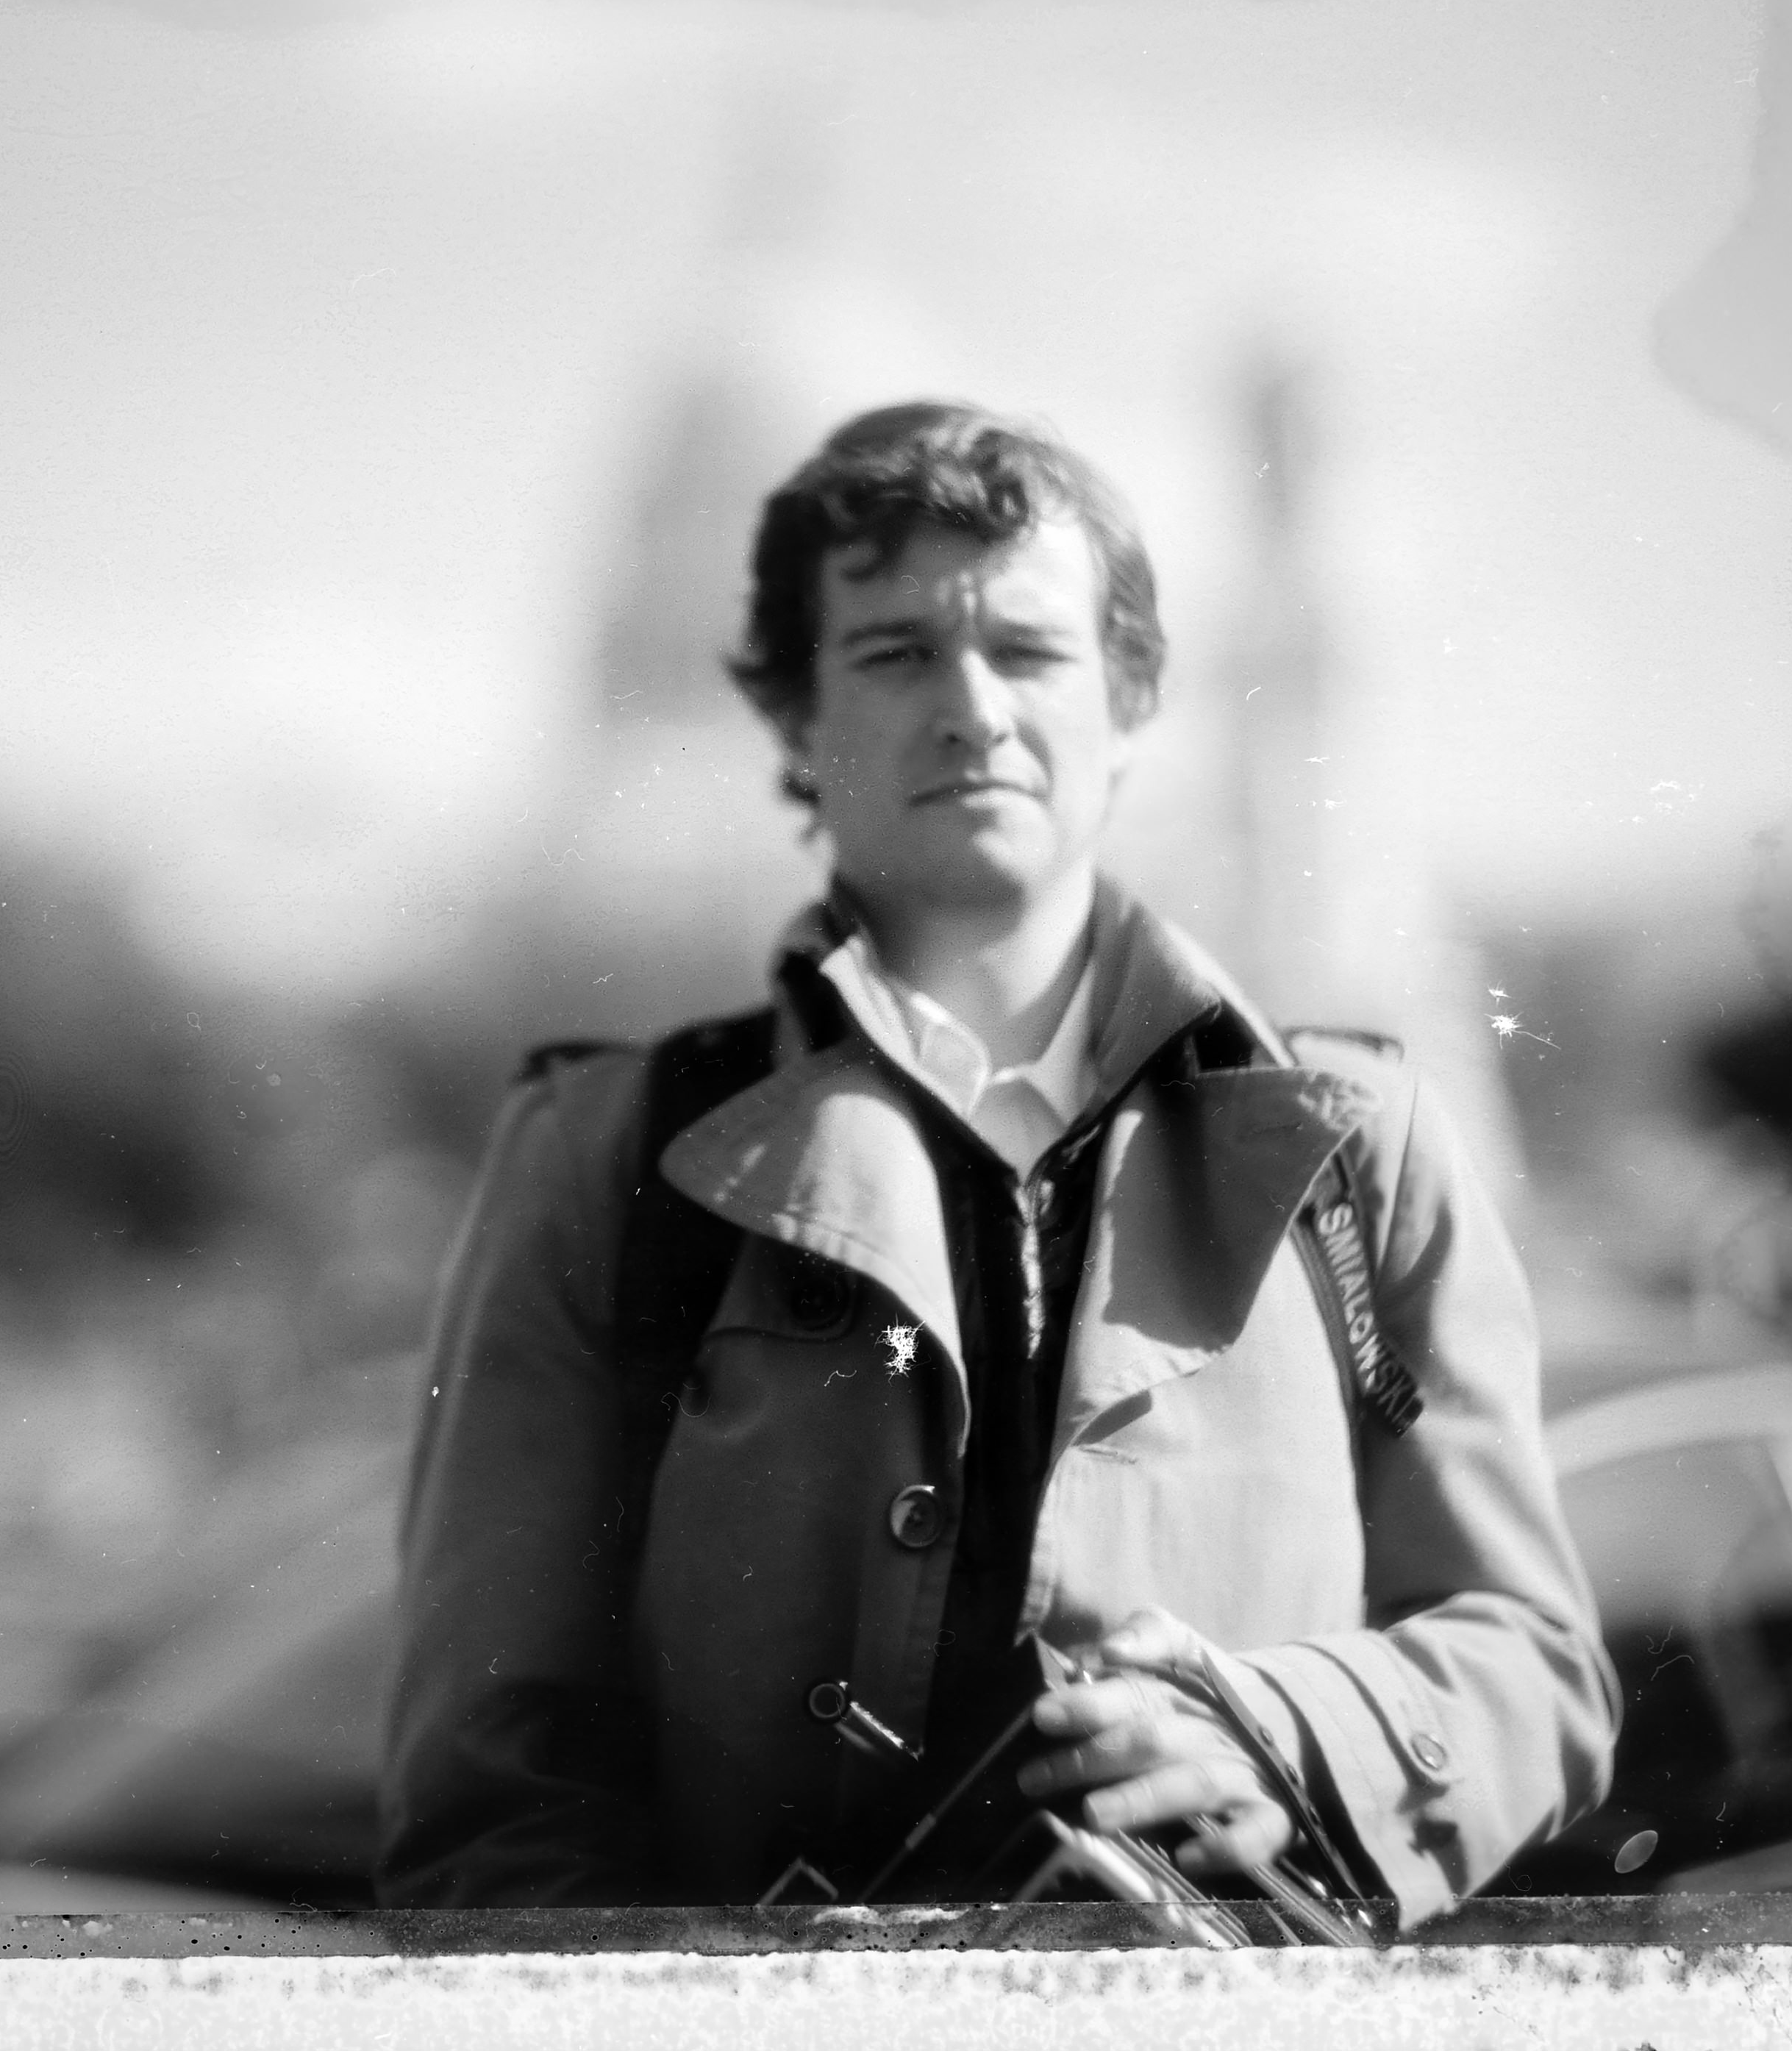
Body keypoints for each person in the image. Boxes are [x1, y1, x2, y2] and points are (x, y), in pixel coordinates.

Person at [377, 401, 1616, 1922]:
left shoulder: (1362, 1148)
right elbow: (495, 1796)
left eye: (1028, 651)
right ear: (795, 719)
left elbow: (1537, 1663)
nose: (972, 707)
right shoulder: (604, 1161)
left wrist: (1292, 1736)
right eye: (896, 652)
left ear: (1133, 700)